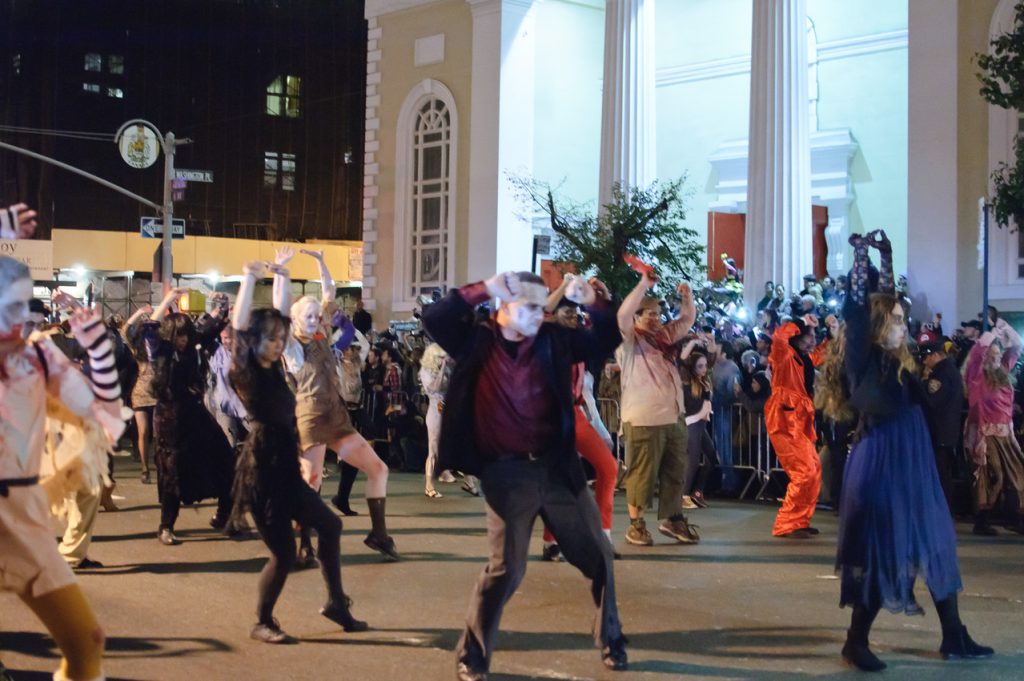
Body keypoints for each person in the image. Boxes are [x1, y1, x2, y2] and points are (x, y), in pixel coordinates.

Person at [422, 271, 628, 680]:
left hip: (556, 469)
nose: (539, 315)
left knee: (599, 557)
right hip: (506, 473)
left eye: (542, 307)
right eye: (530, 307)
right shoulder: (477, 339)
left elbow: (607, 338)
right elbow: (435, 318)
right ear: (505, 306)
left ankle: (611, 638)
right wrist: (483, 288)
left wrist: (594, 302)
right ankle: (472, 654)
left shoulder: (553, 340)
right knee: (506, 569)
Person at [830, 230, 992, 671]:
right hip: (882, 463)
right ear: (878, 326)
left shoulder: (900, 362)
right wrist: (860, 254)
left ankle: (954, 634)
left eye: (904, 319)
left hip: (913, 462)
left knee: (936, 543)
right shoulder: (863, 356)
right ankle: (855, 641)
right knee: (884, 552)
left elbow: (885, 296)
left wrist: (887, 255)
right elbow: (860, 305)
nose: (905, 326)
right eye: (897, 320)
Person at [228, 260, 367, 643]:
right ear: (254, 340)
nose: (277, 343)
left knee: (331, 526)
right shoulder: (246, 371)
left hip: (287, 470)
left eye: (280, 338)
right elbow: (239, 327)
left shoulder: (276, 368)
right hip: (262, 473)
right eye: (270, 338)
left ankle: (336, 603)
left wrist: (284, 276)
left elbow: (283, 313)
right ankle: (263, 621)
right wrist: (249, 278)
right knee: (284, 554)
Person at [1, 253, 123, 681]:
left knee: (86, 643)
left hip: (21, 515)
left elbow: (105, 418)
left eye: (21, 305)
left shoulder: (38, 357)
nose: (19, 318)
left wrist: (99, 350)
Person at [277, 248, 398, 563]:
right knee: (312, 480)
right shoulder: (291, 345)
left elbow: (329, 292)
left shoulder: (321, 336)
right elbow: (280, 308)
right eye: (309, 316)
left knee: (378, 468)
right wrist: (281, 271)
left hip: (337, 416)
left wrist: (321, 262)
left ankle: (379, 534)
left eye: (317, 315)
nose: (315, 319)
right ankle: (304, 543)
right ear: (295, 319)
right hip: (311, 418)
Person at [144, 288, 236, 546]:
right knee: (172, 473)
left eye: (186, 334)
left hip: (196, 413)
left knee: (226, 458)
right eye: (179, 335)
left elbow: (214, 325)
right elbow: (149, 326)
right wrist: (168, 299)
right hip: (169, 419)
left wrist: (221, 305)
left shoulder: (195, 346)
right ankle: (166, 526)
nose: (183, 340)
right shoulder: (160, 350)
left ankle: (224, 514)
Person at [617, 271, 700, 546]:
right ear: (637, 317)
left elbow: (686, 320)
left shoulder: (663, 337)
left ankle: (672, 518)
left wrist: (687, 298)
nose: (656, 318)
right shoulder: (630, 341)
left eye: (658, 313)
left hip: (673, 415)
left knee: (676, 472)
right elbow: (622, 315)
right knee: (642, 474)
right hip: (644, 418)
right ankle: (636, 525)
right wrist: (643, 285)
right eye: (649, 314)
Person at [963, 316, 1024, 535]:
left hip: (1006, 433)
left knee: (1018, 473)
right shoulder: (977, 378)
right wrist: (990, 335)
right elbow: (975, 356)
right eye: (993, 355)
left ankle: (1016, 519)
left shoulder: (1003, 373)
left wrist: (1003, 327)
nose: (997, 359)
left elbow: (1016, 347)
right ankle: (982, 521)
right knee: (992, 475)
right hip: (986, 434)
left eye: (999, 355)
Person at [765, 313, 823, 538]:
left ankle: (799, 520)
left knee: (813, 470)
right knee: (804, 471)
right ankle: (787, 523)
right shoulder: (784, 355)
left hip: (799, 420)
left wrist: (832, 332)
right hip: (785, 420)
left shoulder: (804, 358)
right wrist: (802, 322)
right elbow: (779, 337)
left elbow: (822, 353)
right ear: (798, 336)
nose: (814, 339)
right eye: (810, 335)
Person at [916, 328, 964, 516]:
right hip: (945, 431)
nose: (924, 361)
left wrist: (922, 383)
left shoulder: (941, 373)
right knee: (942, 472)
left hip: (939, 432)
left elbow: (931, 401)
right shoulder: (950, 370)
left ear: (936, 355)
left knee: (940, 474)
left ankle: (941, 511)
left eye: (926, 357)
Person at [680, 349, 718, 509]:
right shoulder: (687, 381)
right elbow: (683, 359)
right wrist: (692, 342)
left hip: (701, 424)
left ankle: (697, 492)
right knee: (693, 461)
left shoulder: (703, 381)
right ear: (692, 367)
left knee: (712, 457)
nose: (704, 369)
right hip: (691, 423)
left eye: (705, 366)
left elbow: (713, 357)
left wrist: (711, 343)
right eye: (700, 366)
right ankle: (683, 496)